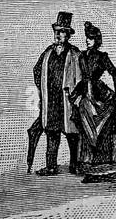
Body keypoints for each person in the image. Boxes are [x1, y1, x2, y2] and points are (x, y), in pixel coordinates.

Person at [68, 22, 116, 182]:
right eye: (86, 38)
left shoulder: (102, 56)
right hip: (86, 93)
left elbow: (115, 73)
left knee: (105, 122)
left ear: (96, 40)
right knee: (83, 117)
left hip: (100, 94)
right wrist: (74, 94)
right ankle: (87, 165)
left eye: (90, 38)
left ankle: (108, 162)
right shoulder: (82, 56)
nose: (87, 40)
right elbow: (83, 80)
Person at [30, 11, 81, 176]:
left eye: (62, 32)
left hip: (67, 100)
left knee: (72, 134)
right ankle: (51, 166)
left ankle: (75, 164)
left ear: (68, 35)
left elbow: (82, 76)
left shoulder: (75, 54)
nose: (58, 35)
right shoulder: (47, 53)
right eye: (57, 31)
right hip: (51, 100)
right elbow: (37, 71)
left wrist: (75, 94)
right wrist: (42, 90)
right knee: (51, 133)